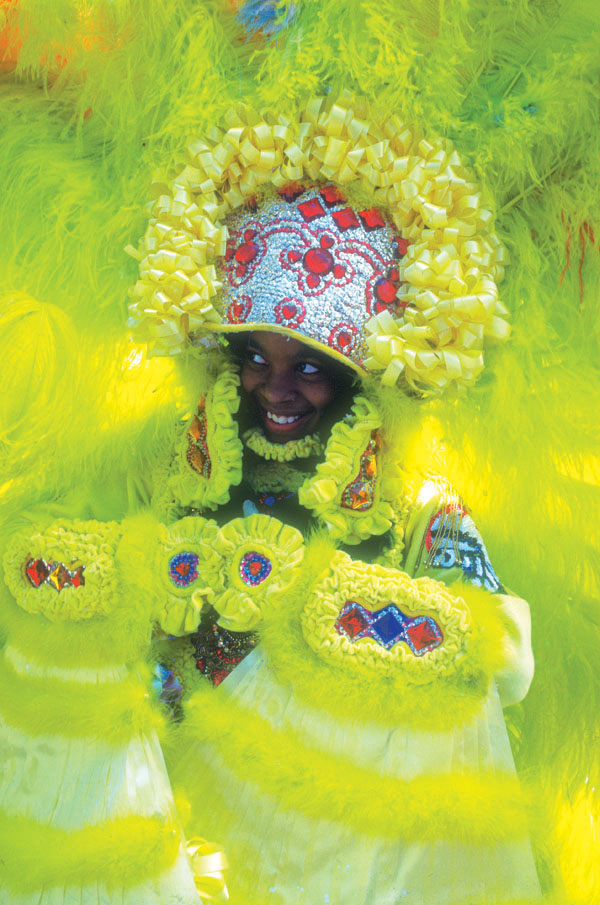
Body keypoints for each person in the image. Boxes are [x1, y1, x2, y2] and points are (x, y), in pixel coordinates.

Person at [0, 95, 541, 905]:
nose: (277, 390)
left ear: (359, 373)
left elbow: (502, 660)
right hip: (173, 826)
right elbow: (56, 572)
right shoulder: (169, 463)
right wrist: (138, 588)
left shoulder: (416, 503)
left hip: (340, 853)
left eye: (312, 366)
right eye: (256, 356)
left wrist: (319, 612)